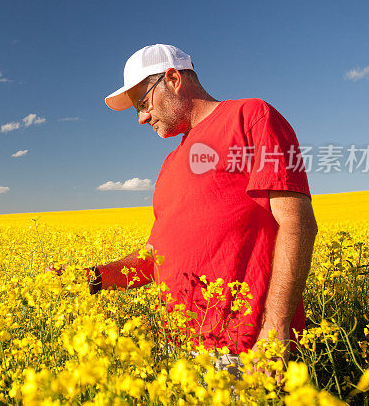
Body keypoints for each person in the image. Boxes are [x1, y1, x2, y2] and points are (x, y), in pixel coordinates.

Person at [88, 44, 317, 356]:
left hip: (246, 351)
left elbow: (297, 224)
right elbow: (154, 257)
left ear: (172, 79)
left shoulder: (250, 117)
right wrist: (95, 277)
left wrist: (275, 329)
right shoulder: (169, 165)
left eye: (142, 103)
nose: (141, 118)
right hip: (180, 353)